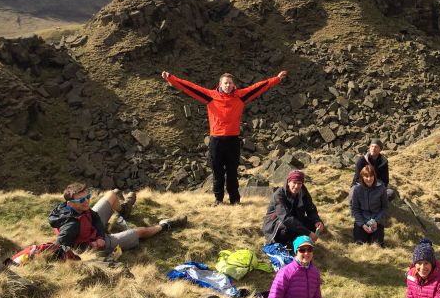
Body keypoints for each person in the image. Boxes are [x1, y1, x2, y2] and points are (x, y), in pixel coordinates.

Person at [161, 69, 287, 206]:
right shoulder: (210, 96)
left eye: (230, 83)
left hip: (233, 141)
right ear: (220, 84)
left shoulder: (240, 96)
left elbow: (258, 87)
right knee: (217, 173)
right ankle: (218, 200)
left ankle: (235, 200)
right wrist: (171, 79)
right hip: (216, 141)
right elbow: (190, 87)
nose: (227, 85)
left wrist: (277, 79)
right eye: (225, 83)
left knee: (232, 173)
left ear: (234, 85)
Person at [48, 182, 187, 254]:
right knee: (140, 232)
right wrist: (94, 244)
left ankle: (124, 210)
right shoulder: (71, 226)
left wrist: (100, 234)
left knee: (112, 195)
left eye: (87, 197)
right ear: (70, 203)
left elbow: (94, 216)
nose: (86, 202)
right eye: (82, 200)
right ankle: (165, 225)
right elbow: (62, 249)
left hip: (94, 231)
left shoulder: (76, 207)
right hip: (96, 244)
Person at [264, 235, 345, 298]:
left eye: (309, 249)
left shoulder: (314, 272)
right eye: (302, 250)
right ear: (296, 252)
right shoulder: (285, 272)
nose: (306, 253)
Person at [262, 170, 326, 245]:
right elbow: (285, 218)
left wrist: (317, 221)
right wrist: (308, 233)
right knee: (285, 229)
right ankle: (288, 244)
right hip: (275, 223)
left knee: (313, 225)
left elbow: (310, 208)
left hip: (295, 218)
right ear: (288, 182)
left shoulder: (303, 192)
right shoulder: (279, 195)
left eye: (299, 183)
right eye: (294, 182)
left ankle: (300, 241)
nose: (296, 186)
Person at [350, 164, 388, 246]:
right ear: (362, 177)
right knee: (359, 243)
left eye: (371, 176)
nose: (369, 178)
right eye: (366, 176)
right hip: (362, 220)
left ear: (374, 176)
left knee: (377, 244)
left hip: (377, 220)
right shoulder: (357, 189)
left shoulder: (381, 188)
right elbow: (355, 209)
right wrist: (362, 224)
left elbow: (384, 207)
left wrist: (376, 221)